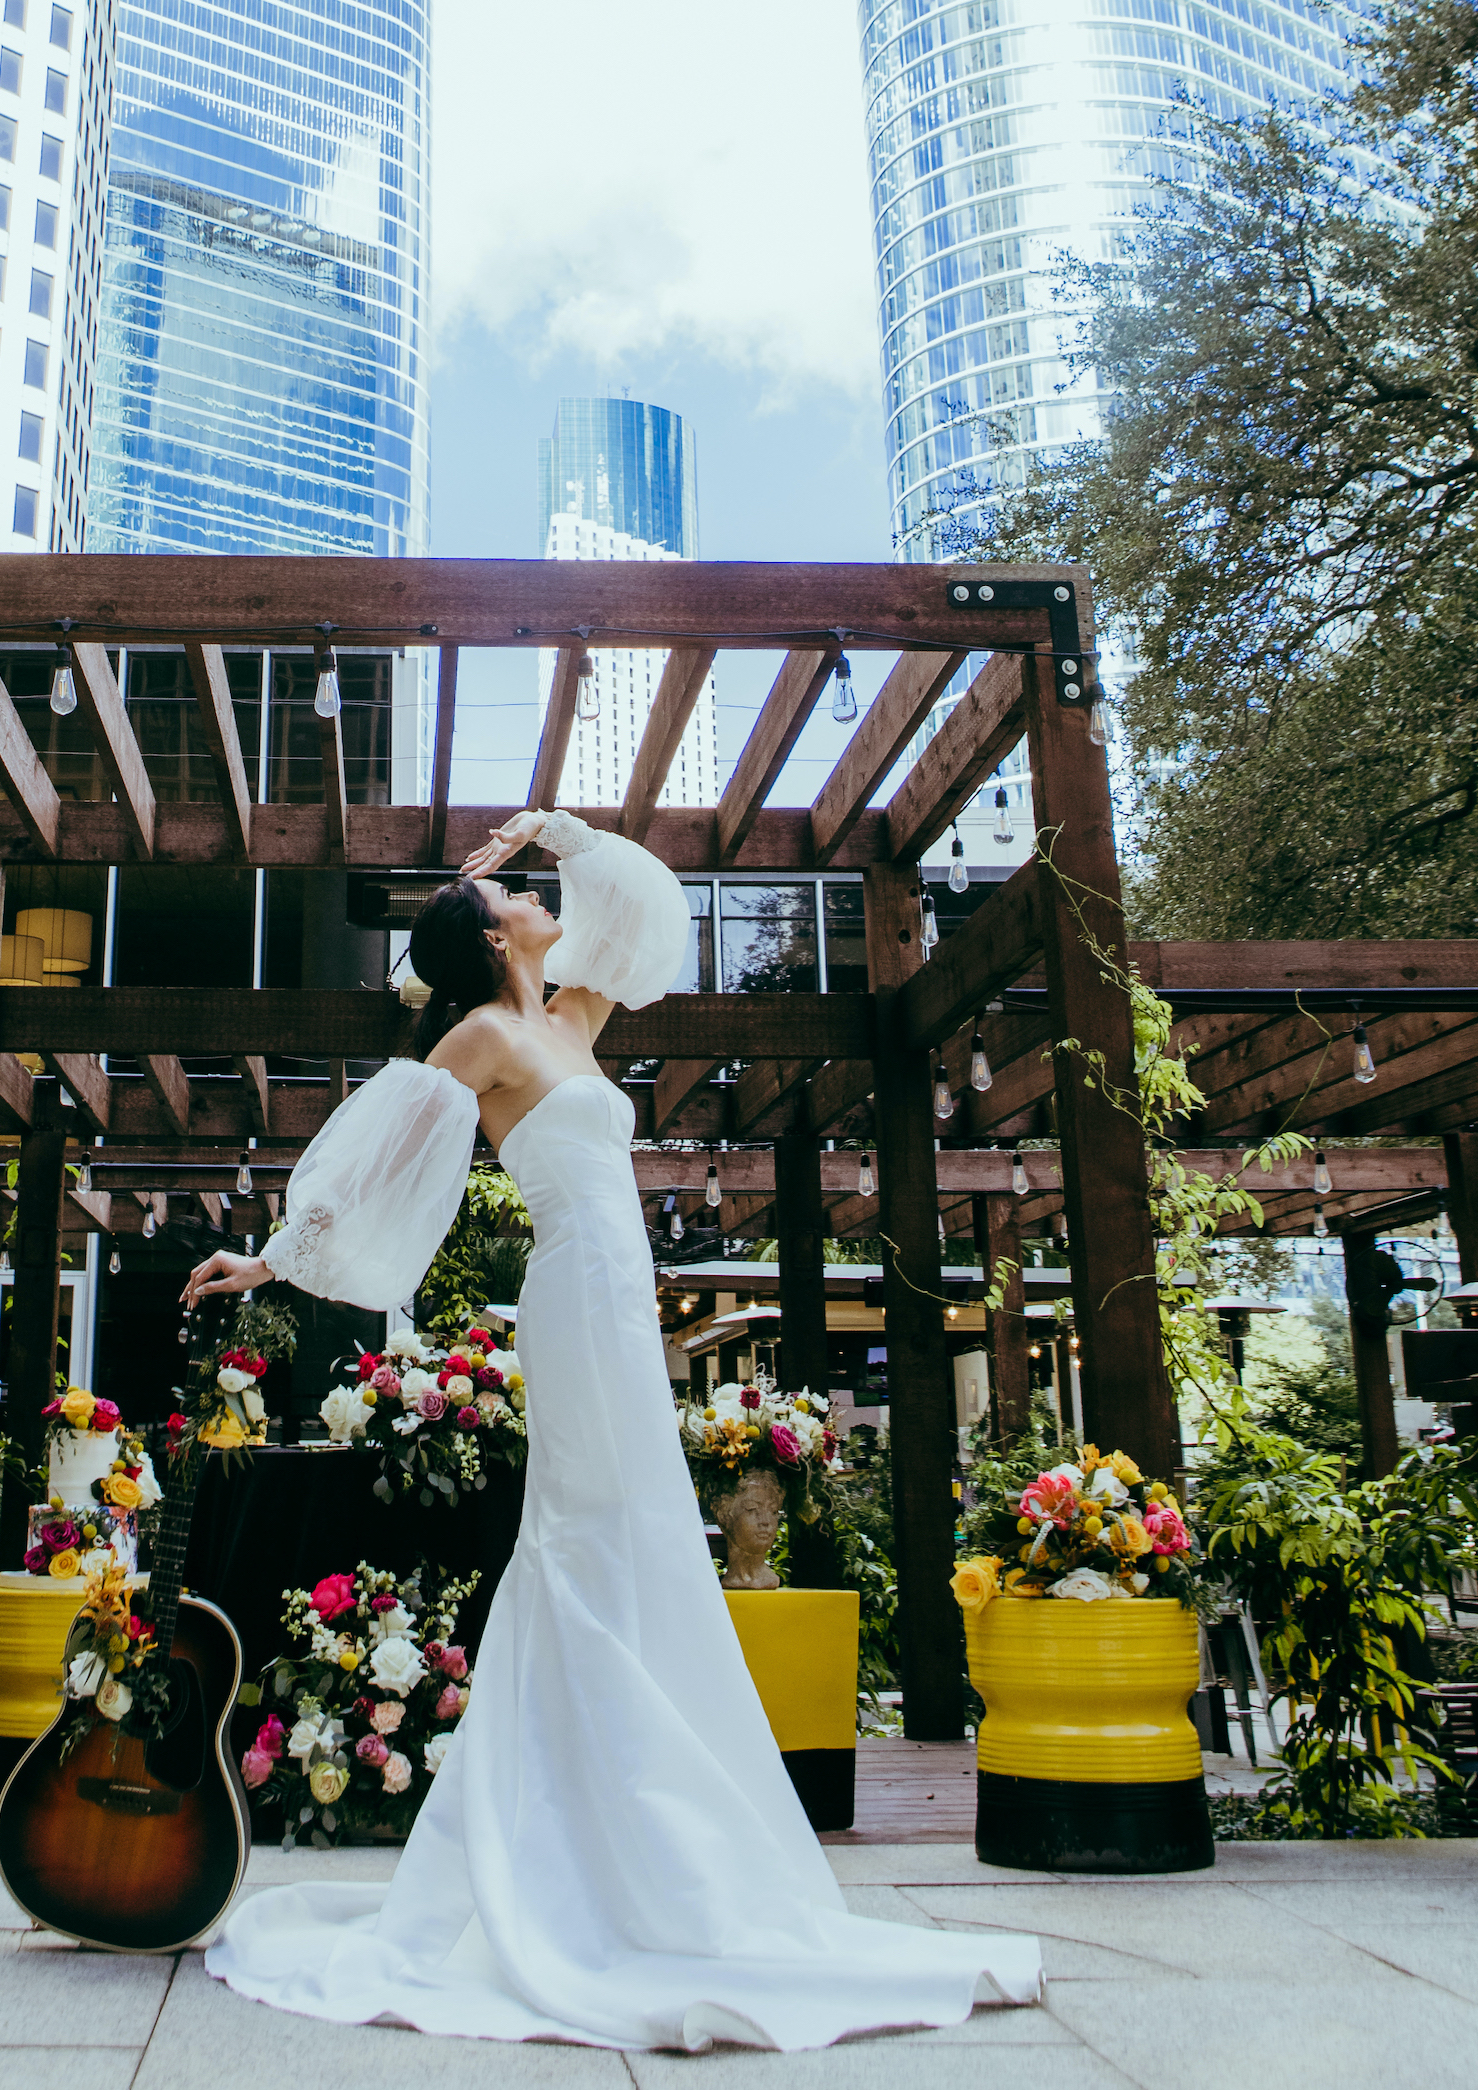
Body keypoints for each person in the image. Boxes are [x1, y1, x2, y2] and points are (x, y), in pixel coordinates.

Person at [183, 807, 1041, 2052]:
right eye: (524, 889)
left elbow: (647, 909)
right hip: (573, 1295)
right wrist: (266, 1261)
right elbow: (373, 1159)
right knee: (587, 1533)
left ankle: (633, 1835)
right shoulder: (481, 1033)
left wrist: (560, 827)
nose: (542, 896)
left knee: (634, 1533)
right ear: (490, 934)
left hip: (620, 1304)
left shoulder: (572, 1017)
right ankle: (586, 1843)